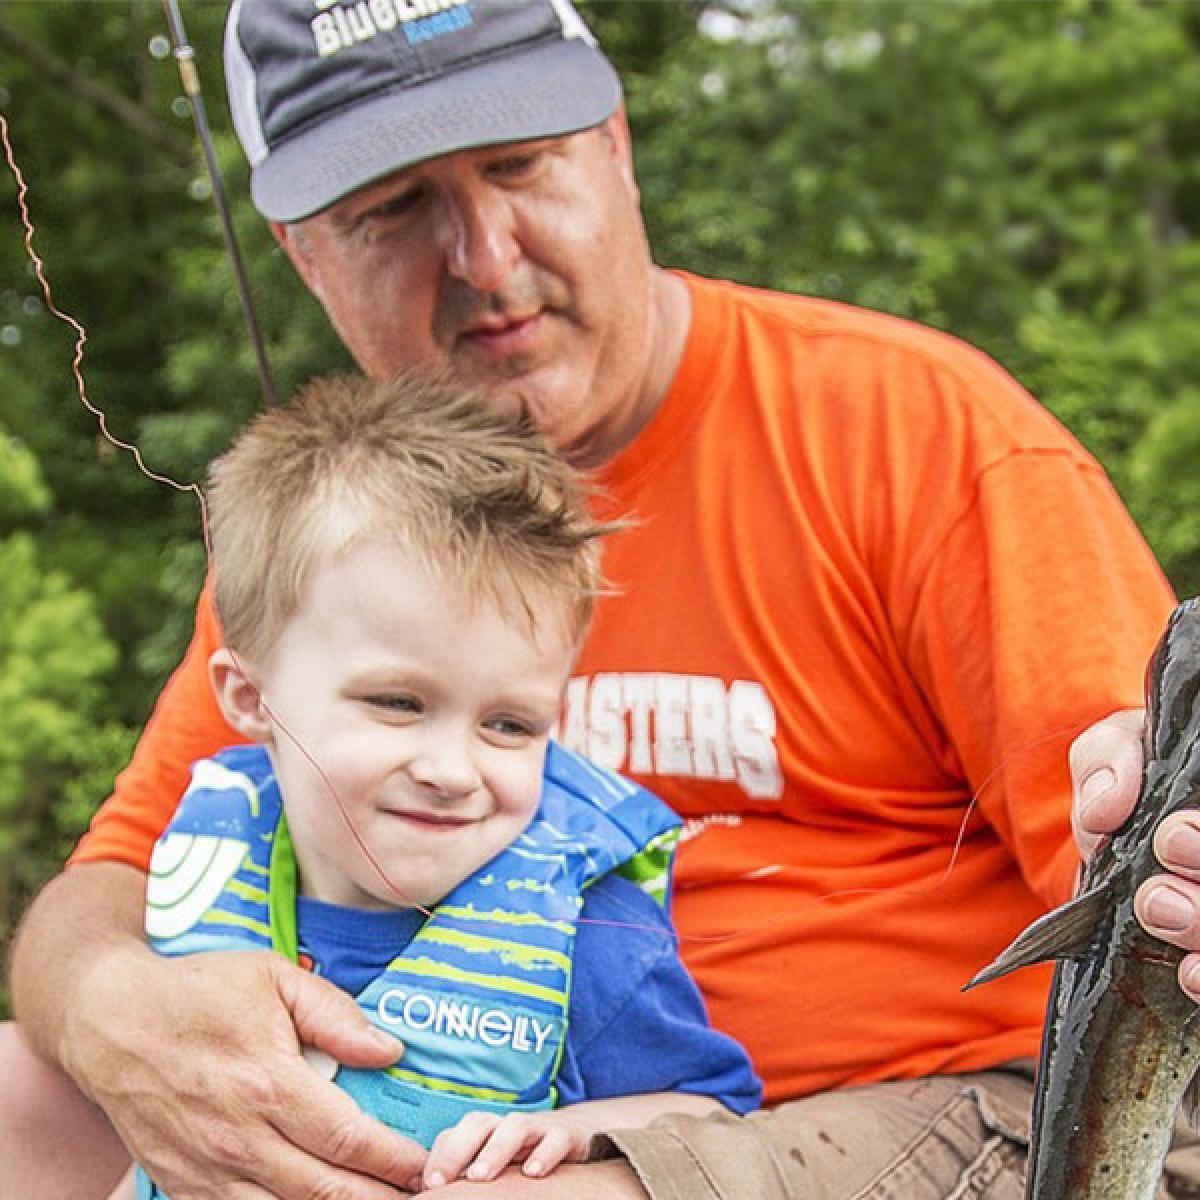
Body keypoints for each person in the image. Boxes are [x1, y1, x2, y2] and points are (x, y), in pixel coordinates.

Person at [5, 1, 1200, 1197]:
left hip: (923, 1103)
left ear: (615, 144)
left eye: (519, 165)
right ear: (301, 251)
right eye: (393, 208)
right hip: (456, 1102)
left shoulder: (917, 435)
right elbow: (107, 881)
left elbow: (1144, 900)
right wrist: (115, 1011)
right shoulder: (337, 539)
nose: (485, 256)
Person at [108, 372, 759, 1200]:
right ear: (250, 699)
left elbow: (713, 1114)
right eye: (398, 703)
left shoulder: (589, 932)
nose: (452, 772)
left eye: (510, 726)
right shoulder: (203, 858)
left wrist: (570, 1132)